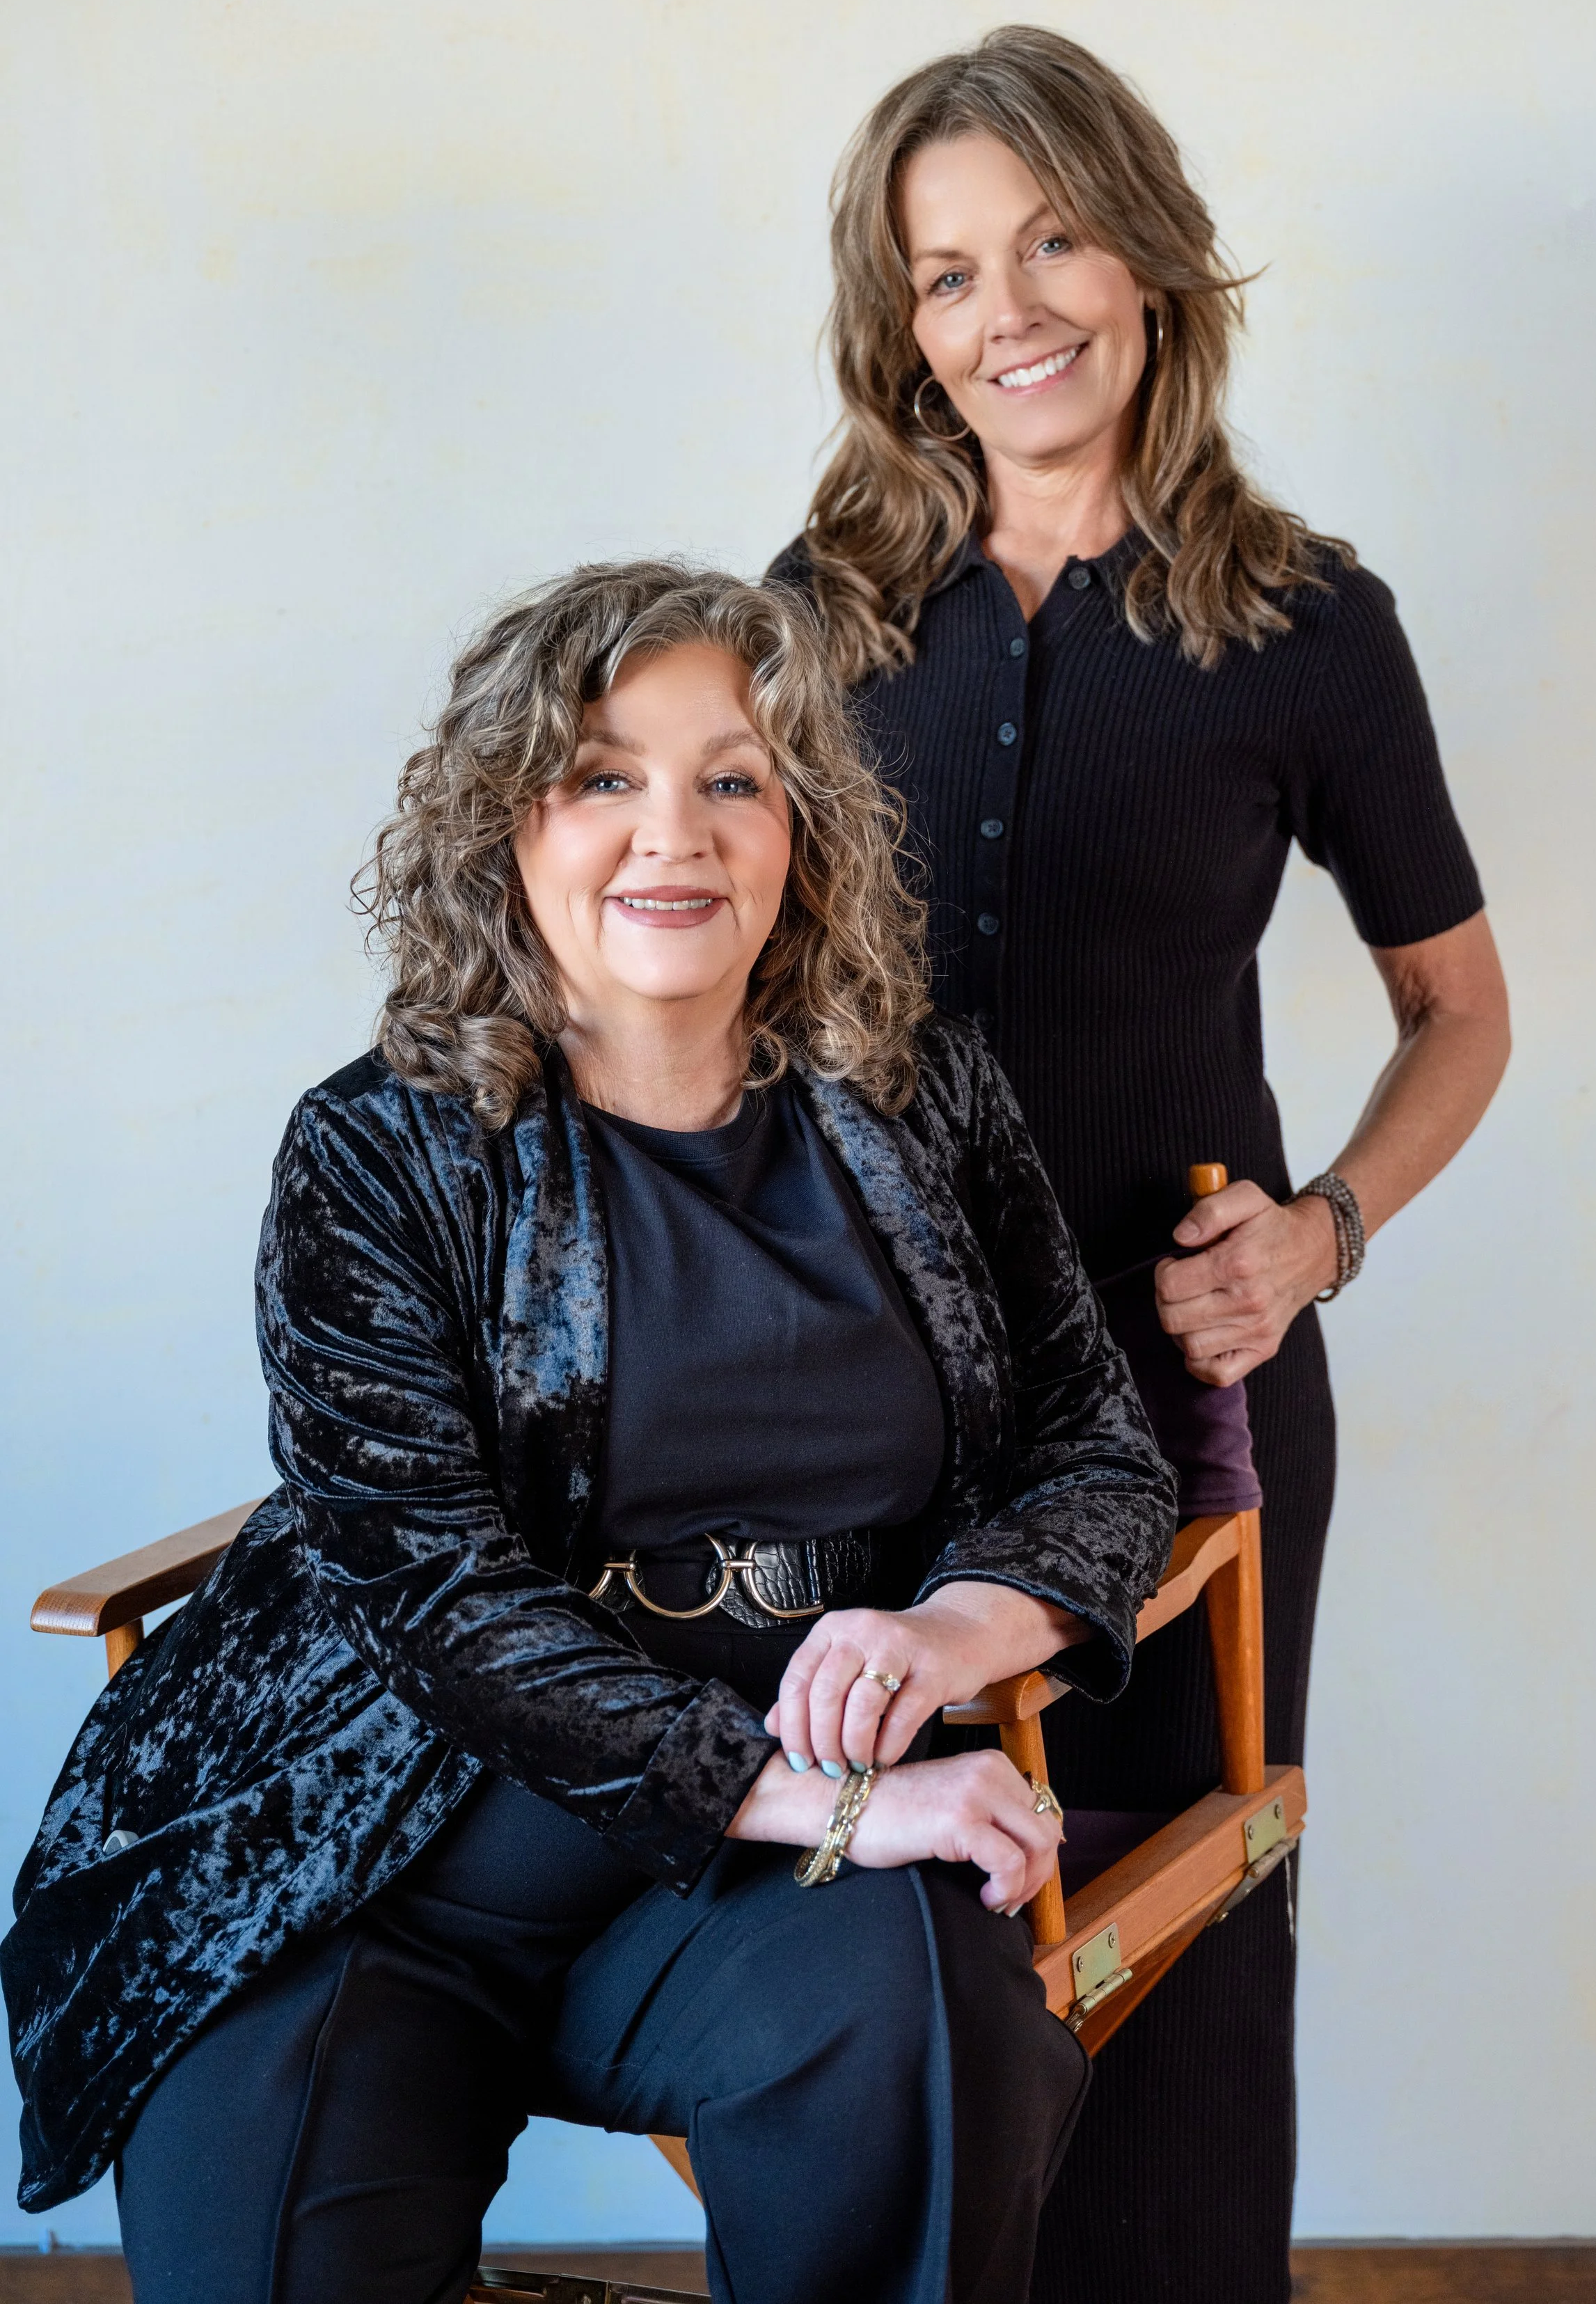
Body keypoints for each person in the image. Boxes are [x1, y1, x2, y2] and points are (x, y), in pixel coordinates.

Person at [1, 561, 1176, 2304]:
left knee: (934, 2030)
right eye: (602, 774)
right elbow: (434, 1597)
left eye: (732, 776)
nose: (672, 834)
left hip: (744, 1895)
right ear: (505, 827)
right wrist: (838, 1805)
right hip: (373, 1850)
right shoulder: (377, 1149)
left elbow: (1097, 1453)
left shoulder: (922, 1097)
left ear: (801, 829)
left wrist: (948, 1629)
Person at [771, 26, 1511, 2304]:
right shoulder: (814, 612)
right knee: (896, 1954)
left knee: (1186, 1960)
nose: (1010, 308)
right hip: (864, 1413)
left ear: (1150, 251)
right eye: (949, 270)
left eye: (1053, 237)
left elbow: (1457, 1012)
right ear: (901, 324)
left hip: (1195, 1412)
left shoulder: (1307, 627)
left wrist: (1323, 1234)